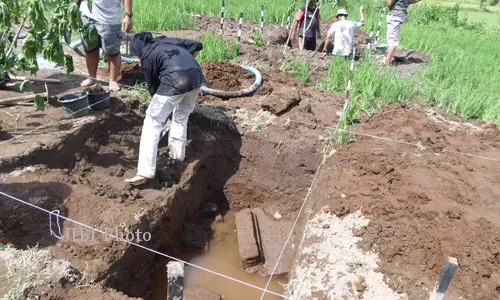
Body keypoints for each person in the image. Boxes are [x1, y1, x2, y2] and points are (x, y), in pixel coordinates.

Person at [124, 32, 205, 185]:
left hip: (175, 80)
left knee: (152, 121)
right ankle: (177, 156)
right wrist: (185, 62)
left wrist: (161, 110)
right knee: (181, 116)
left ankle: (145, 172)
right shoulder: (169, 42)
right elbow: (197, 45)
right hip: (196, 77)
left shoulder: (147, 55)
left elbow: (153, 88)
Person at [76, 0, 133, 91]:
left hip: (109, 17)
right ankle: (92, 77)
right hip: (86, 15)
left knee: (112, 52)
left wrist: (128, 15)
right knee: (90, 48)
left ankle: (113, 81)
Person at [385, 0, 421, 65]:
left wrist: (391, 10)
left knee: (392, 40)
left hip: (395, 16)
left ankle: (387, 61)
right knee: (391, 37)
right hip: (400, 16)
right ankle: (389, 54)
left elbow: (389, 3)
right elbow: (412, 1)